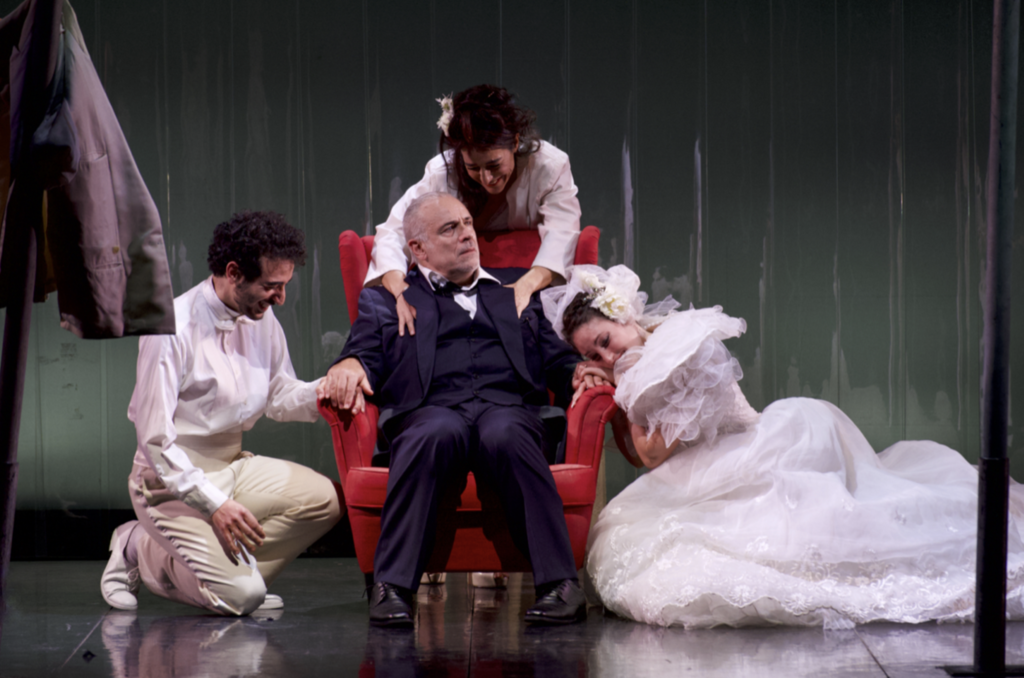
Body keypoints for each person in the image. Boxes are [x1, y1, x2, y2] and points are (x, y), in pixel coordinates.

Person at [543, 264, 1024, 628]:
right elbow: (641, 455)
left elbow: (650, 454)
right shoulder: (640, 365)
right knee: (629, 535)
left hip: (752, 448)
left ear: (622, 314)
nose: (607, 355)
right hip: (702, 463)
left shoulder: (676, 351)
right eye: (592, 355)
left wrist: (620, 389)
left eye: (605, 340)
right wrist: (618, 384)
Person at [322, 192, 590, 627]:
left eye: (467, 223)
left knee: (506, 433)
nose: (467, 234)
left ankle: (560, 585)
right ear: (418, 249)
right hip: (431, 409)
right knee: (433, 433)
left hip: (507, 408)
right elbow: (363, 352)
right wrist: (349, 363)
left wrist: (578, 373)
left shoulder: (519, 290)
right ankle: (392, 587)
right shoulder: (386, 300)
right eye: (450, 228)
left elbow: (556, 359)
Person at [100, 211, 343, 616]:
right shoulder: (171, 328)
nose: (280, 297)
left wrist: (328, 389)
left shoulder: (262, 318)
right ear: (233, 273)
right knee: (243, 597)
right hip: (168, 483)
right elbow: (156, 440)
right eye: (271, 286)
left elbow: (279, 396)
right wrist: (213, 505)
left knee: (326, 501)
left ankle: (234, 576)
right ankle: (136, 545)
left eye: (284, 285)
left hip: (231, 465)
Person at [365, 84, 581, 336]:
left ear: (514, 142)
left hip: (526, 281)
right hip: (453, 287)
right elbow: (394, 231)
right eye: (474, 168)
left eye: (494, 165)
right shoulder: (442, 173)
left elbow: (562, 233)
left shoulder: (550, 166)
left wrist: (526, 286)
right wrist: (400, 289)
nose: (487, 178)